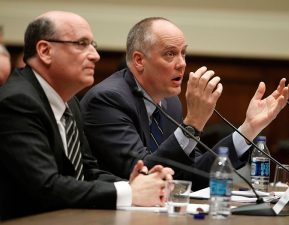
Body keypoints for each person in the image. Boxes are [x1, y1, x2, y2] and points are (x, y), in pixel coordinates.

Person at [80, 17, 289, 191]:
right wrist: (193, 123)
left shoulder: (170, 102)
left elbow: (192, 173)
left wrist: (249, 128)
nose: (181, 63)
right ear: (139, 60)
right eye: (170, 54)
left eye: (183, 53)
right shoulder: (108, 100)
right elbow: (145, 174)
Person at [0, 12, 174, 221]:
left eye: (93, 44)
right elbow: (45, 186)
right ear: (45, 51)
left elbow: (87, 171)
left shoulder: (69, 101)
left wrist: (136, 183)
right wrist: (130, 193)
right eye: (81, 44)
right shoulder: (18, 102)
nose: (95, 55)